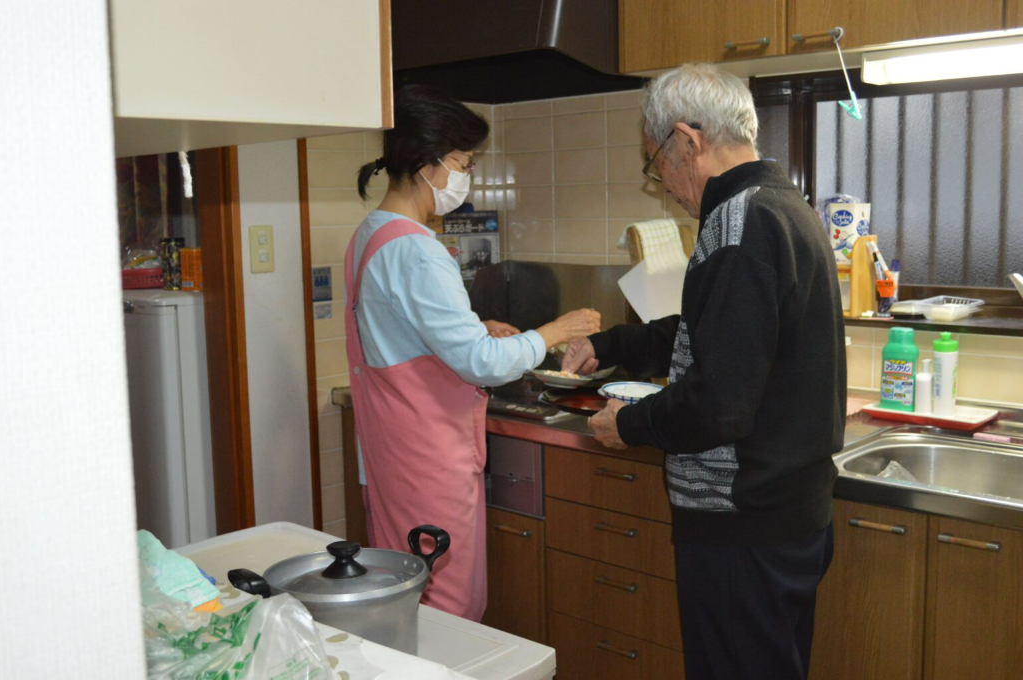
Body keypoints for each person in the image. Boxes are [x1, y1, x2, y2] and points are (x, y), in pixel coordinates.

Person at [562, 64, 846, 680]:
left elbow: (719, 402)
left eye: (655, 160)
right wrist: (612, 342)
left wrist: (630, 424)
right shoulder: (779, 205)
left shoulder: (738, 224)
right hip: (780, 517)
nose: (662, 183)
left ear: (687, 142)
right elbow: (711, 336)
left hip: (742, 525)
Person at [347, 84, 600, 622]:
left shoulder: (371, 235)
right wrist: (555, 330)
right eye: (462, 162)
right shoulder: (417, 250)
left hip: (392, 456)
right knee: (449, 607)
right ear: (425, 162)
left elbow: (394, 332)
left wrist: (473, 326)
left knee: (406, 599)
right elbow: (480, 363)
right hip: (429, 460)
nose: (466, 176)